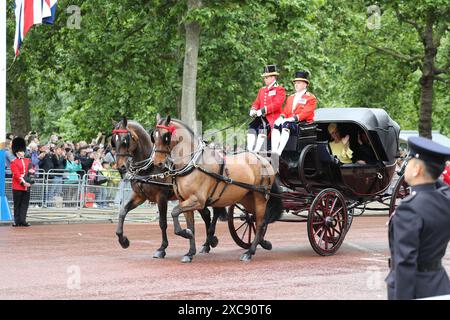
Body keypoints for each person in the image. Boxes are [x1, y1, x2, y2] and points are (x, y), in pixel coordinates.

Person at [386, 136, 450, 300]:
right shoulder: (444, 200)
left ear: (417, 170)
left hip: (415, 289)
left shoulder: (409, 209)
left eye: (409, 161)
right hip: (439, 284)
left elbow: (405, 263)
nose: (406, 166)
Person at [271, 71, 316, 156]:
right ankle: (274, 150)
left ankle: (279, 152)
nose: (296, 85)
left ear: (305, 84)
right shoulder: (291, 97)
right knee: (276, 124)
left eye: (298, 83)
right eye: (295, 83)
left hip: (303, 124)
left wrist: (292, 119)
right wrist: (281, 117)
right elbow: (286, 111)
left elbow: (305, 113)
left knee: (286, 124)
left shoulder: (311, 98)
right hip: (290, 122)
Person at [247, 64, 285, 152]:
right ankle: (249, 150)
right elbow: (257, 102)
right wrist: (253, 109)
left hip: (273, 118)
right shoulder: (262, 90)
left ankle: (256, 151)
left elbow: (277, 104)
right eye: (264, 77)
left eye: (266, 77)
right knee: (251, 126)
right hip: (261, 117)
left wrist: (263, 110)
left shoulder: (280, 89)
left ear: (273, 77)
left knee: (262, 128)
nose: (264, 79)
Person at [10, 137, 34, 227]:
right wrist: (23, 182)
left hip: (27, 186)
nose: (23, 152)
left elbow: (31, 170)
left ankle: (23, 220)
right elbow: (16, 175)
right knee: (17, 205)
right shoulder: (14, 162)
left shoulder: (28, 160)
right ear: (16, 152)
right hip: (18, 186)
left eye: (23, 151)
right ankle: (16, 221)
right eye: (21, 151)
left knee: (25, 204)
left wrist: (31, 178)